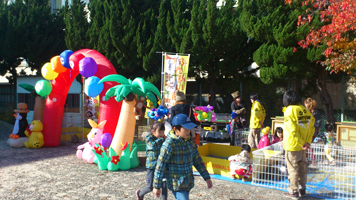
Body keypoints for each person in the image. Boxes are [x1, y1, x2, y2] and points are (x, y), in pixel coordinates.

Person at [153, 114, 213, 199]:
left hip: (187, 182)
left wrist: (206, 177)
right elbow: (160, 165)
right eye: (185, 129)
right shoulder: (169, 144)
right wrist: (156, 186)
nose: (188, 131)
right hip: (176, 184)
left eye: (189, 128)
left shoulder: (190, 142)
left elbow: (197, 161)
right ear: (175, 129)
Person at [282, 91, 315, 199]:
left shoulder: (289, 110)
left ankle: (294, 191)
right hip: (304, 146)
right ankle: (303, 189)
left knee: (293, 169)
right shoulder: (304, 110)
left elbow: (292, 130)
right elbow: (312, 127)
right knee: (303, 168)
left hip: (293, 145)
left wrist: (301, 142)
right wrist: (307, 142)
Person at [136, 122, 168, 200]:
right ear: (152, 131)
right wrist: (162, 139)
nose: (161, 134)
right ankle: (140, 194)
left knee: (164, 184)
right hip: (151, 166)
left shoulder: (162, 140)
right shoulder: (149, 138)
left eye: (163, 132)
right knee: (150, 187)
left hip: (161, 166)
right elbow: (153, 145)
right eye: (159, 132)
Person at [304, 98, 321, 165]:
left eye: (305, 105)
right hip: (314, 131)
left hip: (310, 131)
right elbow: (319, 123)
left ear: (308, 105)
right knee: (308, 145)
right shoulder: (316, 112)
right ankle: (309, 159)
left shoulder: (308, 112)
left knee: (307, 145)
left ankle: (312, 160)